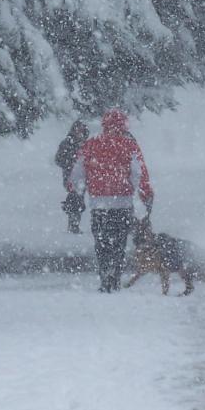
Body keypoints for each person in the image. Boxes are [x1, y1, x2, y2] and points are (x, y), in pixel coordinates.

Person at [67, 109, 153, 292]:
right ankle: (115, 276)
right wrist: (145, 194)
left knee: (102, 242)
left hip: (98, 204)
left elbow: (77, 174)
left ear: (104, 125)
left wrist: (77, 190)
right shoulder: (129, 145)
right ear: (124, 125)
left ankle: (105, 275)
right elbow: (139, 174)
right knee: (119, 242)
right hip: (122, 202)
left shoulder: (90, 145)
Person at [55, 120, 89, 233]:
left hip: (82, 178)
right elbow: (58, 160)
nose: (79, 132)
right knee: (75, 199)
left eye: (81, 130)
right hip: (70, 177)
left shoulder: (86, 144)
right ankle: (73, 224)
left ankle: (74, 223)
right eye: (78, 130)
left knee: (78, 199)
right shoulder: (66, 143)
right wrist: (70, 162)